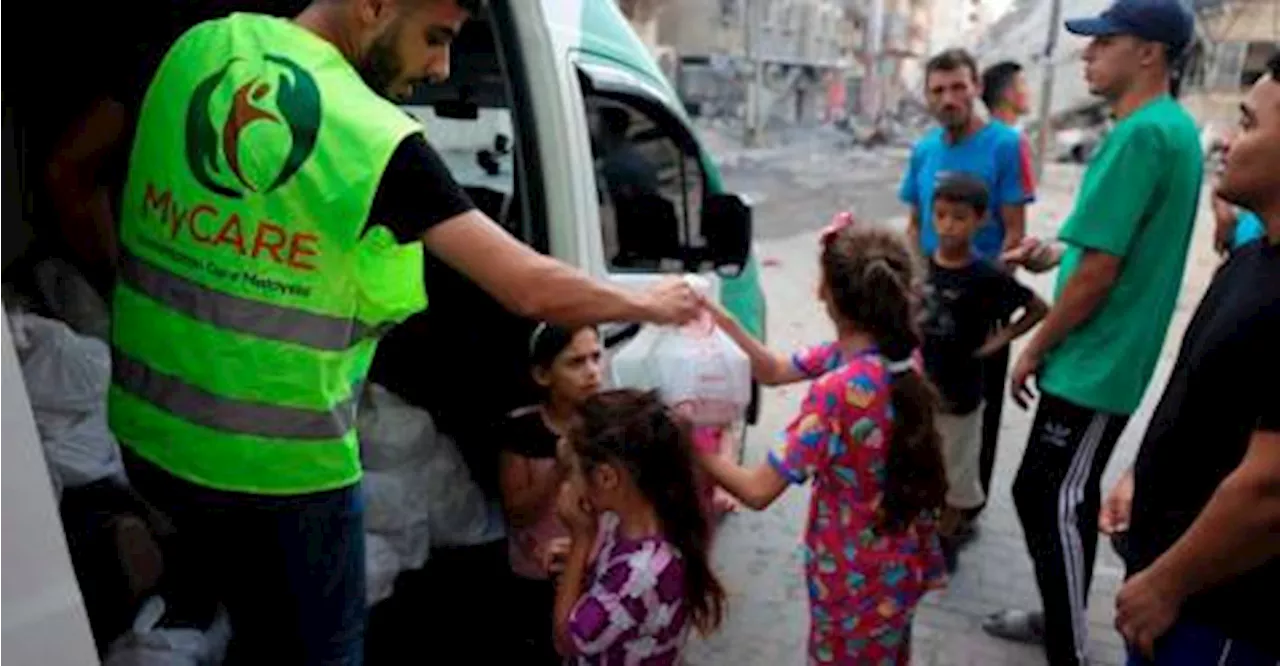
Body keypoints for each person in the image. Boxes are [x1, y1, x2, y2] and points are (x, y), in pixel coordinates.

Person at [108, 1, 702, 663]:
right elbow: (526, 286)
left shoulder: (197, 47)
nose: (441, 66)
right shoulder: (371, 138)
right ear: (374, 6)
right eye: (436, 38)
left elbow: (81, 181)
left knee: (252, 621)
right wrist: (650, 302)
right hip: (282, 473)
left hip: (149, 442)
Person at [983, 3, 1203, 665]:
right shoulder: (1166, 129)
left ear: (1150, 53)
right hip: (1106, 354)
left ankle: (1068, 647)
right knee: (1057, 495)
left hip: (1096, 359)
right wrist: (1055, 253)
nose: (1088, 55)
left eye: (1104, 42)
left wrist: (1037, 344)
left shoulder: (1142, 134)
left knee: (1048, 495)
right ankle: (1059, 619)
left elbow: (1102, 272)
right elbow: (1110, 246)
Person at [1098, 51, 1280, 666]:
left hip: (1217, 615)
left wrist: (1166, 582)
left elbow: (1270, 488)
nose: (1229, 140)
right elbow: (1198, 393)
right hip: (1170, 592)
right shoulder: (1253, 260)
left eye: (1250, 125)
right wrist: (1137, 477)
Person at [696, 222, 948, 665]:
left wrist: (690, 442)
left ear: (825, 294)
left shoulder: (837, 390)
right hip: (898, 559)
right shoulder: (897, 356)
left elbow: (756, 490)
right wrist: (722, 320)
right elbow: (773, 369)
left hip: (852, 575)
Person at [901, 48, 1036, 524]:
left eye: (958, 87)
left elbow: (1015, 228)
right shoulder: (923, 151)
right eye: (938, 90)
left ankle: (962, 515)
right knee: (923, 410)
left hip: (980, 308)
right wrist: (918, 285)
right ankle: (922, 505)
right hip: (930, 307)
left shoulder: (1005, 146)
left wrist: (988, 290)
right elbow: (915, 225)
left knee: (974, 416)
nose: (949, 98)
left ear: (976, 87)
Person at [919, 174, 1048, 566]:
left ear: (980, 222)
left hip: (961, 395)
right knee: (922, 468)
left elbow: (1039, 308)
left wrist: (997, 342)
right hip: (921, 391)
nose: (947, 226)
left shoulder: (987, 276)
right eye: (940, 216)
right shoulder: (922, 268)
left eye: (959, 217)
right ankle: (923, 539)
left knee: (956, 476)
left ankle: (947, 541)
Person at [551, 389, 725, 665]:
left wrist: (580, 541)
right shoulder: (651, 519)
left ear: (606, 478)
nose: (569, 485)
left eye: (573, 473)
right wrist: (585, 564)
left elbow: (567, 640)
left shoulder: (639, 573)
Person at [498, 323, 603, 664]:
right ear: (543, 375)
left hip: (597, 570)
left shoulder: (611, 426)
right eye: (575, 363)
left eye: (596, 358)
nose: (592, 372)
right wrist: (560, 468)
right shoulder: (523, 429)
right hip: (536, 572)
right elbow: (517, 512)